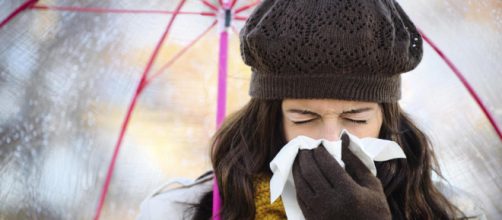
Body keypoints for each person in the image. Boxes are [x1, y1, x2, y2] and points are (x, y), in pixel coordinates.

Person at [137, 0, 486, 219]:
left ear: (386, 119)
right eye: (305, 117)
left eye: (356, 118)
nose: (330, 139)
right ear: (271, 119)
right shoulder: (179, 211)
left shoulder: (452, 212)